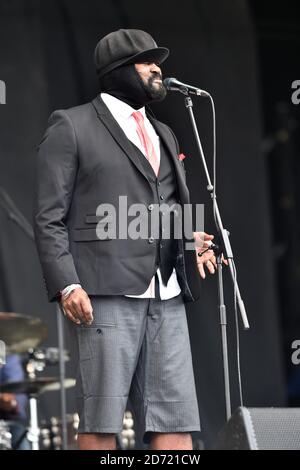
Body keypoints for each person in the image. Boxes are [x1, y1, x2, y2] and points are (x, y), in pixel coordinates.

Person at [34, 29, 222, 450]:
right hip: (105, 290)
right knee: (102, 423)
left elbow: (165, 205)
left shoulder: (165, 133)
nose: (158, 69)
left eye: (159, 61)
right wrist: (67, 283)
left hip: (166, 291)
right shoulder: (73, 125)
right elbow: (48, 217)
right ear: (119, 71)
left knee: (174, 421)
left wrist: (190, 241)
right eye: (146, 61)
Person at [0, 354, 29, 449]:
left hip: (7, 420)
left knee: (18, 434)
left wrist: (10, 402)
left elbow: (13, 396)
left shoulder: (9, 357)